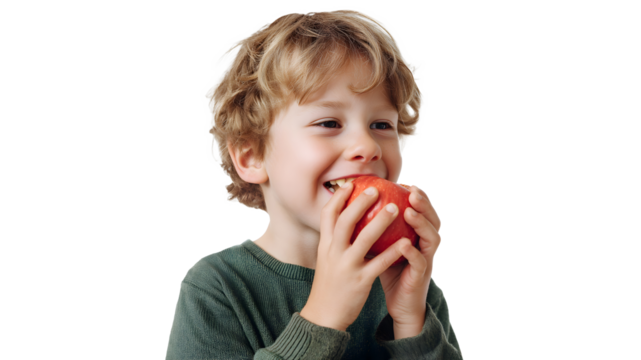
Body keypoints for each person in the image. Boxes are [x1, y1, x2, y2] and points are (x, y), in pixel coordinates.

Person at [165, 8, 462, 359]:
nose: (367, 147)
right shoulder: (218, 287)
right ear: (251, 156)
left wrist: (411, 322)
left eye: (382, 125)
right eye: (329, 123)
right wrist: (323, 317)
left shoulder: (414, 287)